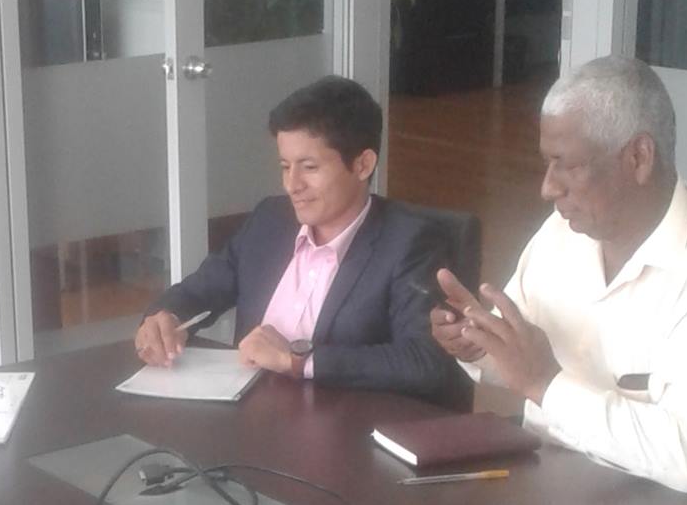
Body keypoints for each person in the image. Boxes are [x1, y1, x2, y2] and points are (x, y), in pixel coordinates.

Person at [430, 55, 687, 501]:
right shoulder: (562, 234)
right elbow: (518, 359)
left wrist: (547, 385)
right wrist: (476, 342)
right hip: (549, 491)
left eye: (566, 164)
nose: (547, 187)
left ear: (638, 157)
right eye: (546, 164)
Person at [134, 76, 460, 405]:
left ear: (363, 165)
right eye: (285, 166)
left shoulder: (410, 242)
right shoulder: (270, 221)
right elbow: (201, 289)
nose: (292, 185)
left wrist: (299, 360)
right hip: (250, 416)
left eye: (309, 167)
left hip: (344, 424)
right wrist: (165, 317)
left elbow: (424, 361)